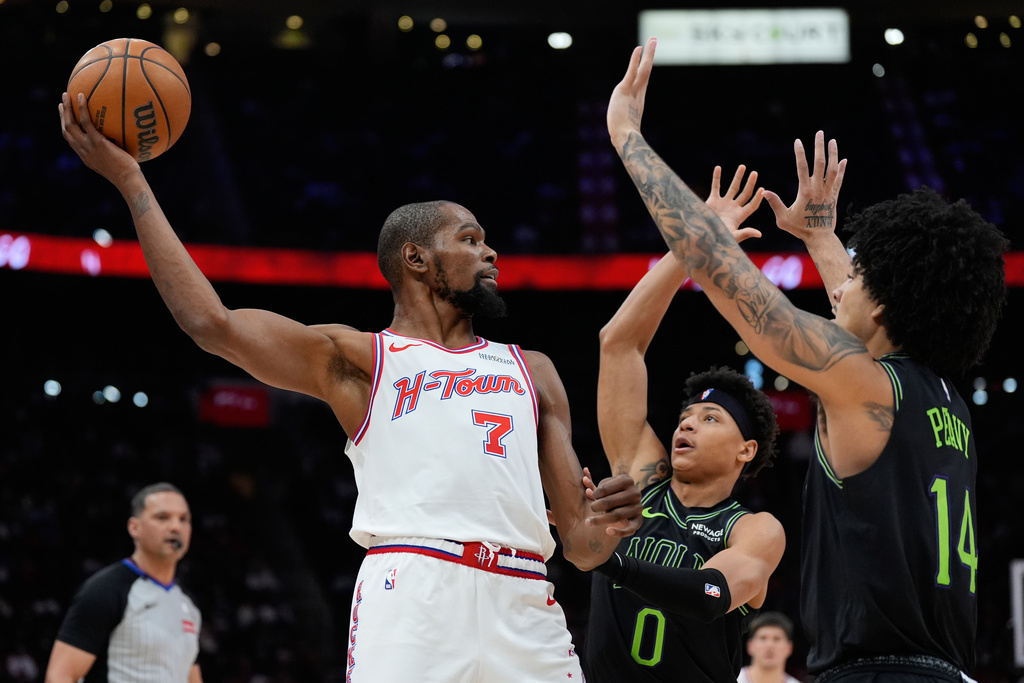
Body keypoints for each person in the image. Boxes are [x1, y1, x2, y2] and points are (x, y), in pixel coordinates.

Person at [59, 91, 643, 683]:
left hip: (525, 600)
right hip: (413, 594)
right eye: (469, 239)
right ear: (416, 258)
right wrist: (133, 184)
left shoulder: (534, 370)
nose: (490, 252)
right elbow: (213, 324)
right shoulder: (358, 359)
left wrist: (609, 524)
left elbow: (581, 544)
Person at [606, 37, 1008, 683]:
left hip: (876, 673)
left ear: (884, 305)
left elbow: (716, 265)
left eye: (859, 274)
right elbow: (864, 318)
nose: (841, 286)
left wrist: (627, 134)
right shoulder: (942, 398)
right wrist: (820, 235)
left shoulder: (866, 385)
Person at [583, 163, 785, 682]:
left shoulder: (754, 531)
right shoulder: (644, 477)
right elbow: (619, 344)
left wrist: (606, 560)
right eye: (686, 416)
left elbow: (710, 593)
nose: (686, 426)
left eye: (710, 418)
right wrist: (690, 248)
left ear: (746, 450)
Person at [44, 483, 202, 683]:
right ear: (134, 527)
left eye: (184, 519)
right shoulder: (106, 591)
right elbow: (60, 676)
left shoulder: (188, 606)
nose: (176, 527)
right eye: (162, 517)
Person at [738, 612, 802, 683]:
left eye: (777, 639)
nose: (769, 645)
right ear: (750, 646)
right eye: (763, 638)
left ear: (789, 648)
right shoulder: (732, 679)